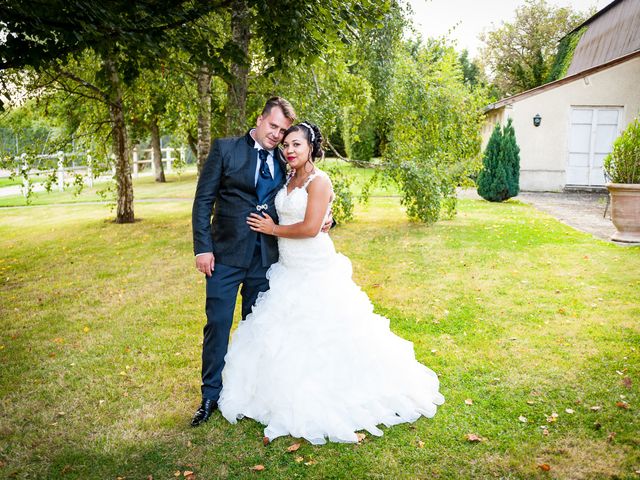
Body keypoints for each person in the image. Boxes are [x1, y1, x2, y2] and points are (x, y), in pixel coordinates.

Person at [217, 122, 445, 445]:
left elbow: (310, 228)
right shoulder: (287, 177)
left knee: (325, 335)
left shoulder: (319, 180)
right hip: (288, 269)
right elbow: (304, 212)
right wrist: (327, 215)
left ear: (310, 147)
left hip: (315, 268)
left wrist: (274, 230)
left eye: (297, 144)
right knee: (284, 335)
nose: (290, 151)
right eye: (286, 146)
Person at [190, 97, 299, 427]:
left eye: (282, 131)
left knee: (256, 328)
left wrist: (326, 218)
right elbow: (203, 201)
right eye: (273, 126)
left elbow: (302, 190)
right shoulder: (225, 149)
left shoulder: (284, 160)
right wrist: (202, 248)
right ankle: (210, 394)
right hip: (224, 255)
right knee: (218, 324)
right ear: (260, 119)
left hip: (265, 258)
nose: (277, 135)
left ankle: (251, 393)